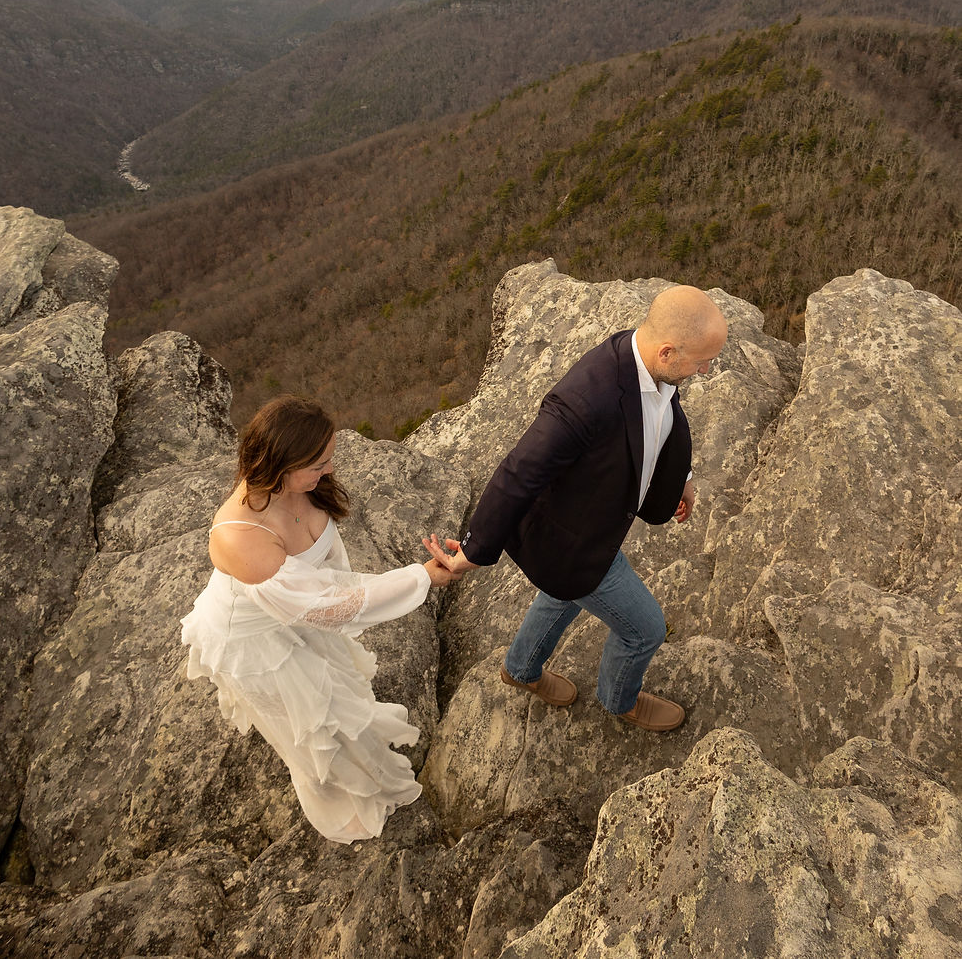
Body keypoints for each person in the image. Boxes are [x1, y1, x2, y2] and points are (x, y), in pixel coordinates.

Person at [427, 285, 728, 732]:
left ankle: (520, 668)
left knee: (562, 592)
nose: (705, 370)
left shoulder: (646, 359)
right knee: (645, 628)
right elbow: (518, 471)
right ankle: (619, 699)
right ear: (667, 352)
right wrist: (471, 552)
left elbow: (659, 418)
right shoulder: (585, 399)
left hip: (578, 531)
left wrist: (679, 479)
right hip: (575, 541)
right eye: (701, 361)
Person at [181, 395, 456, 844]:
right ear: (280, 466)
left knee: (336, 703)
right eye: (318, 464)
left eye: (329, 459)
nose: (329, 471)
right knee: (312, 734)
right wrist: (419, 579)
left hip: (295, 616)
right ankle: (336, 807)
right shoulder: (241, 538)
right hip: (254, 646)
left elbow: (327, 582)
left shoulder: (297, 487)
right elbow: (326, 605)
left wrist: (414, 577)